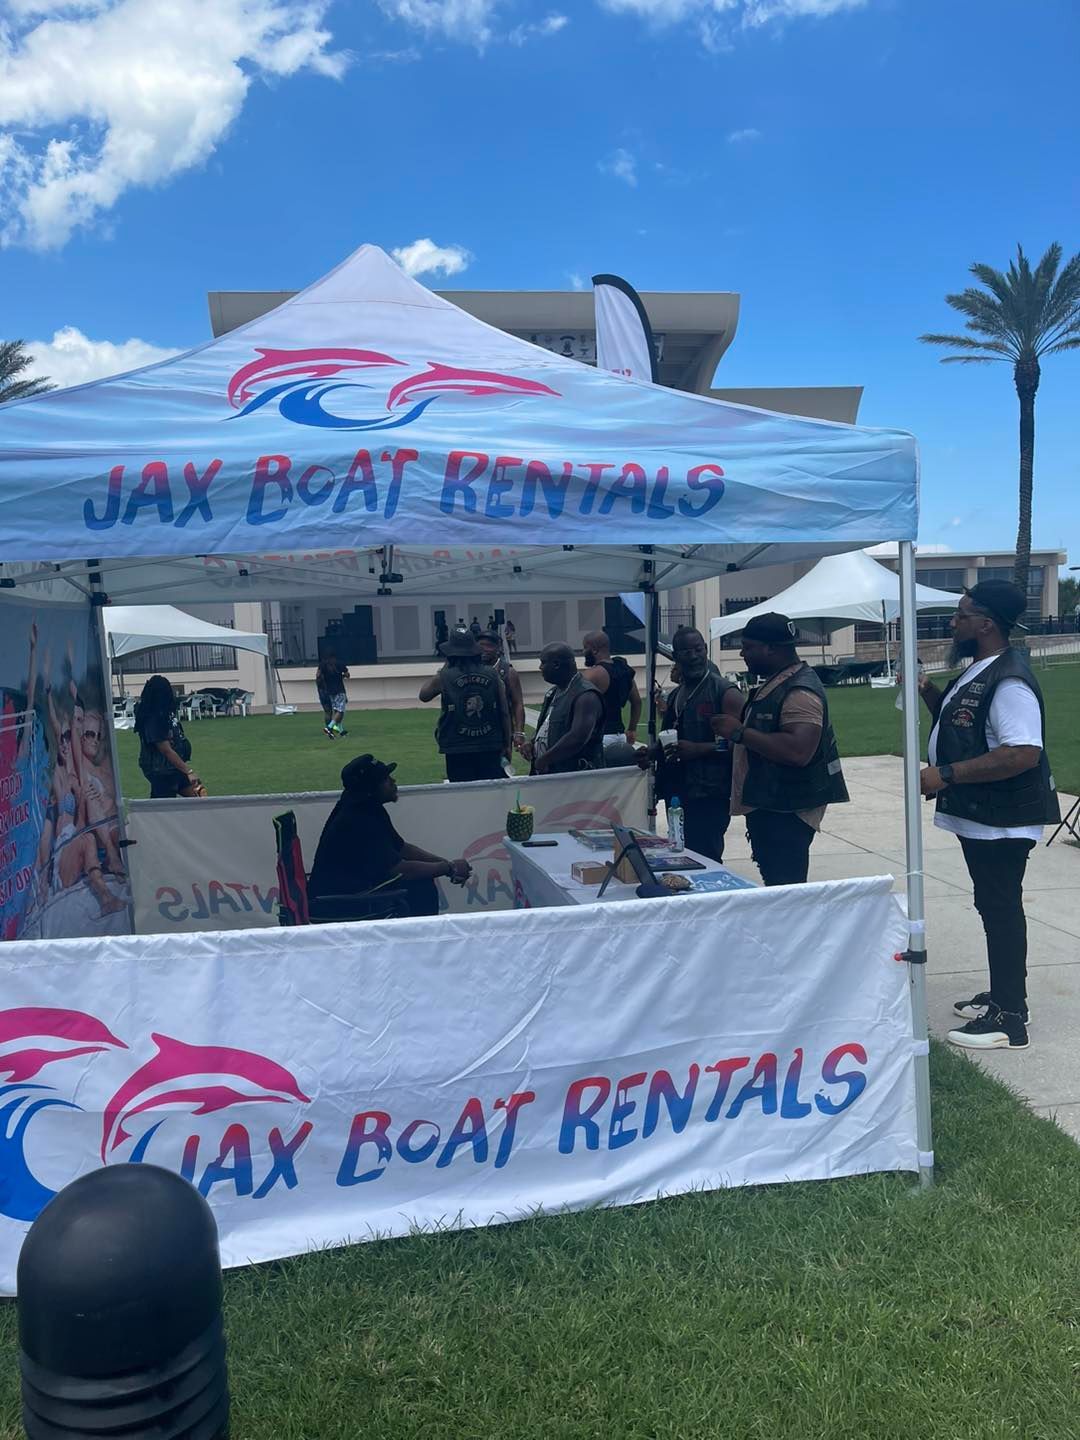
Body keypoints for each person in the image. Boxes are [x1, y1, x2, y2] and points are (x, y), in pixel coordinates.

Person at [917, 581, 1061, 1052]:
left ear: (986, 624)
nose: (952, 623)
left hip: (1002, 818)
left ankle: (1010, 1019)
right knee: (993, 906)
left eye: (961, 615)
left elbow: (1022, 752)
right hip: (984, 815)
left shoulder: (1010, 680)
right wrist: (927, 691)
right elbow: (963, 725)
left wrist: (946, 774)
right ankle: (1005, 995)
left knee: (1000, 909)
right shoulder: (983, 669)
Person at [714, 613, 848, 886]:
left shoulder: (800, 691)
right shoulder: (777, 681)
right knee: (776, 884)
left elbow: (798, 751)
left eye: (748, 647)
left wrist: (739, 732)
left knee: (786, 888)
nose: (742, 653)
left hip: (788, 810)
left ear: (771, 648)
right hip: (772, 805)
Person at [307, 755, 472, 920]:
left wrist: (446, 864)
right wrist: (448, 868)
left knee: (420, 882)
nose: (393, 781)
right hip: (337, 904)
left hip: (347, 895)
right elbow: (400, 870)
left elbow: (402, 848)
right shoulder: (358, 819)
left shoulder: (365, 807)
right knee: (419, 886)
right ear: (371, 788)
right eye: (386, 779)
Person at [638, 627, 742, 863]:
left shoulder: (725, 692)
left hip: (710, 793)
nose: (694, 656)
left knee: (706, 857)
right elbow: (669, 738)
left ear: (706, 650)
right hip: (678, 791)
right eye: (686, 651)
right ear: (675, 657)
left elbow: (740, 745)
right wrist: (652, 753)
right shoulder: (677, 695)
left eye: (698, 649)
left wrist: (698, 749)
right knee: (681, 852)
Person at [418, 629, 511, 782]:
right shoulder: (492, 674)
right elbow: (504, 712)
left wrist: (446, 666)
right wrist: (507, 744)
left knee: (463, 791)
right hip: (490, 743)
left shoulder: (444, 676)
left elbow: (424, 696)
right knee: (490, 790)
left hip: (456, 746)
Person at [523, 643, 604, 775]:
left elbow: (577, 738)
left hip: (575, 777)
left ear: (556, 664)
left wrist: (544, 760)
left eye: (543, 663)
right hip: (552, 775)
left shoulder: (586, 696)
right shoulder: (553, 692)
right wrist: (532, 742)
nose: (540, 667)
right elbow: (549, 726)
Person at [134, 675, 206, 798]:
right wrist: (189, 771)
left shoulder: (165, 713)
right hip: (161, 771)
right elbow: (165, 750)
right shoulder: (153, 719)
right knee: (164, 805)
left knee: (199, 796)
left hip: (176, 767)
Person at [582, 630, 643, 758]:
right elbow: (637, 701)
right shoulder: (623, 671)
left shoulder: (593, 674)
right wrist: (632, 729)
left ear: (594, 650)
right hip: (619, 735)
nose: (583, 652)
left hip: (599, 737)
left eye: (585, 648)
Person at [477, 629, 526, 758]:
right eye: (481, 645)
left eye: (489, 646)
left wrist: (519, 732)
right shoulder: (472, 669)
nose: (484, 649)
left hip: (501, 732)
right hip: (476, 732)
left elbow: (518, 704)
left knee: (501, 767)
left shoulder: (508, 672)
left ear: (498, 648)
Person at [315, 650, 349, 739]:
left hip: (329, 691)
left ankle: (341, 731)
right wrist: (342, 676)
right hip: (339, 690)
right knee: (340, 711)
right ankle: (329, 727)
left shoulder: (323, 665)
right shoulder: (339, 664)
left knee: (336, 711)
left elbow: (318, 675)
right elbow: (347, 674)